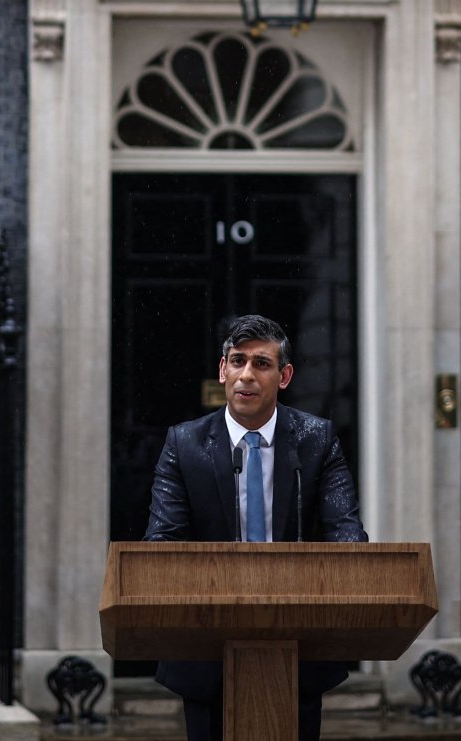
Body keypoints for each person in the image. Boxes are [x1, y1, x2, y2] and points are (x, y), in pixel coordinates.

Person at [144, 313, 366, 741]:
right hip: (206, 647)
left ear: (284, 376)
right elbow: (162, 544)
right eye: (238, 361)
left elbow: (348, 537)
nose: (247, 375)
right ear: (223, 370)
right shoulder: (184, 444)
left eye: (261, 364)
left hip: (297, 647)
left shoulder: (316, 440)